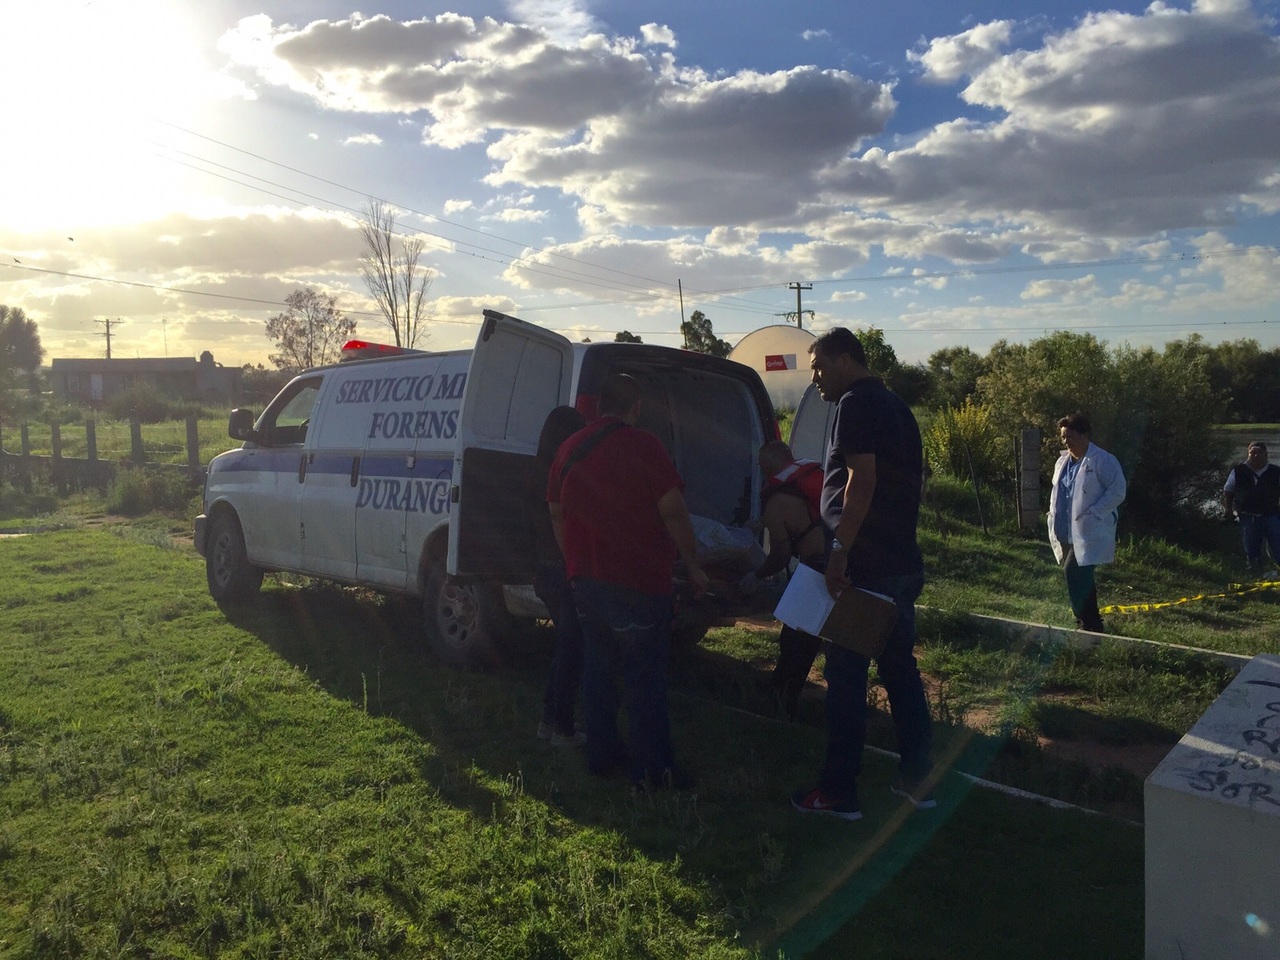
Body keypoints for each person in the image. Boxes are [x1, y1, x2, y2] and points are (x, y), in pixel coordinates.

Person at [792, 327, 935, 821]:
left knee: (846, 676)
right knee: (900, 670)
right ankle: (919, 780)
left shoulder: (855, 404)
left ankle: (837, 793)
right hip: (900, 562)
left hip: (865, 567)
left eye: (820, 367)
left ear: (847, 360)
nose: (816, 380)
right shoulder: (898, 407)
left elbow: (862, 480)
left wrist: (839, 550)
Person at [547, 373, 709, 789]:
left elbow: (555, 510)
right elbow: (672, 508)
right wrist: (692, 563)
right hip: (637, 581)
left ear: (600, 407)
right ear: (635, 407)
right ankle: (653, 771)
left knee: (598, 671)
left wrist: (573, 563)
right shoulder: (644, 445)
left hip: (587, 581)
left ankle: (601, 758)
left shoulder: (569, 447)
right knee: (645, 679)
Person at [738, 440, 826, 718]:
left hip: (817, 568)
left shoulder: (775, 500)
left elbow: (780, 555)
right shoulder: (810, 479)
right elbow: (803, 516)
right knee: (818, 639)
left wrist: (756, 575)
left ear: (765, 469)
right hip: (844, 561)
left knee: (795, 640)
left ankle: (781, 704)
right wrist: (763, 524)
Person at [530, 405, 588, 747]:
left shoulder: (536, 470)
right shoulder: (562, 472)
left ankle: (550, 721)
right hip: (562, 567)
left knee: (567, 645)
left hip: (544, 567)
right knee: (572, 648)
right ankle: (561, 726)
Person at [1047, 412, 1127, 634]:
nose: (1066, 442)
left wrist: (1095, 512)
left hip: (1089, 529)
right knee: (1082, 577)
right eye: (1063, 437)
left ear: (1084, 435)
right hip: (1064, 528)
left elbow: (1118, 491)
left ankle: (1087, 622)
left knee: (1073, 572)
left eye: (1070, 436)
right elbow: (1059, 493)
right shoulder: (1062, 462)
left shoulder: (1103, 460)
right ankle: (1092, 623)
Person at [1223, 441, 1280, 575]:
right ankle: (1255, 573)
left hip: (1271, 515)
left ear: (1265, 454)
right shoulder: (1238, 471)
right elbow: (1228, 491)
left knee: (1277, 545)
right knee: (1251, 547)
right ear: (1248, 454)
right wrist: (1228, 510)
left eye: (1258, 453)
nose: (1255, 456)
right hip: (1248, 515)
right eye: (1252, 453)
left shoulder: (1276, 472)